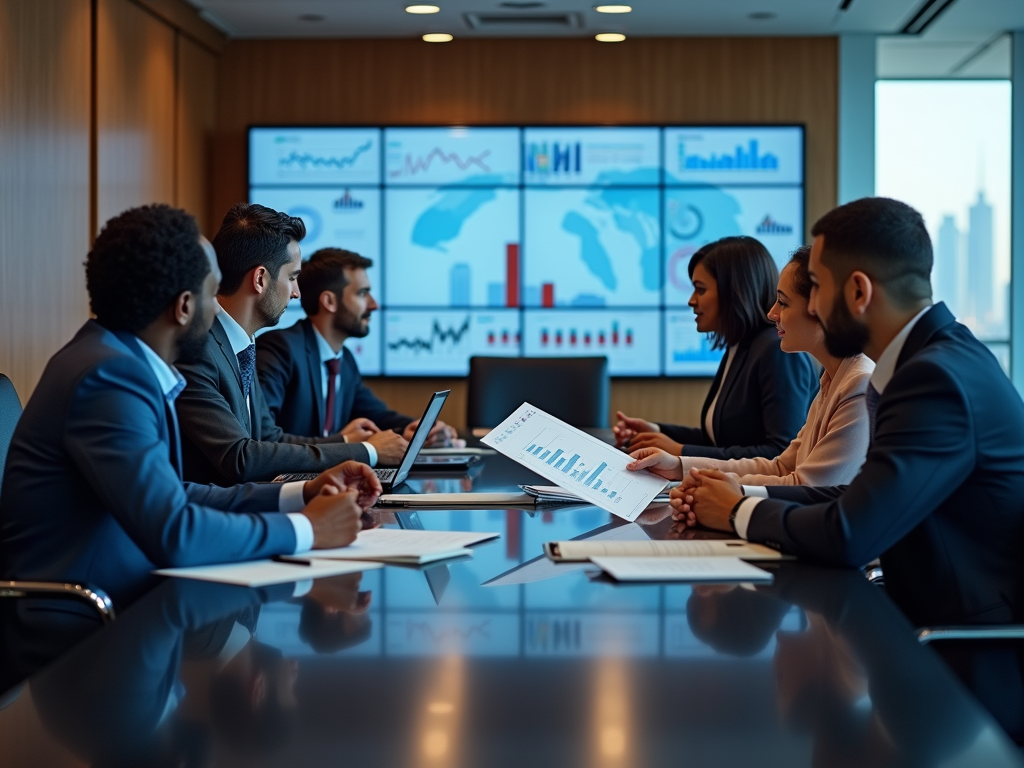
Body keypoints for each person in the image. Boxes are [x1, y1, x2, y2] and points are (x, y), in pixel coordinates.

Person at [666, 197, 1024, 627]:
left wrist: (733, 510)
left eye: (814, 286)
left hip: (959, 653)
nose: (809, 306)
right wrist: (736, 495)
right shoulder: (932, 358)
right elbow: (856, 497)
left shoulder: (933, 380)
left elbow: (850, 534)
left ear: (857, 292)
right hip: (925, 622)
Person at [0, 205, 381, 606]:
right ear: (183, 306)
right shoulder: (107, 378)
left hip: (128, 597)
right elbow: (176, 532)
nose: (218, 307)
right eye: (210, 292)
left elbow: (174, 496)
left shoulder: (114, 361)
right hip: (85, 628)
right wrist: (306, 530)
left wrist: (300, 494)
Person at [175, 204, 408, 486]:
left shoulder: (242, 346)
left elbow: (269, 439)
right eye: (292, 277)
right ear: (261, 279)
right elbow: (241, 458)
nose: (297, 293)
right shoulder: (197, 350)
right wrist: (367, 451)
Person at [629, 246, 874, 487]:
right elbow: (781, 466)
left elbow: (806, 487)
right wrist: (680, 467)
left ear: (821, 309)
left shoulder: (858, 384)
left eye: (783, 303)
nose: (772, 313)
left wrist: (714, 486)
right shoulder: (830, 381)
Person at [614, 236, 818, 460]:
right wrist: (657, 432)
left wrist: (680, 452)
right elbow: (723, 440)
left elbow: (780, 453)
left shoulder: (776, 351)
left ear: (734, 291)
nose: (691, 301)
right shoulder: (741, 347)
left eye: (700, 290)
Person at [256, 247, 456, 445]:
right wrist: (343, 442)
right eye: (362, 293)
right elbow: (264, 440)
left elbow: (377, 415)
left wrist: (422, 429)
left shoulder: (344, 361)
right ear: (329, 301)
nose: (373, 305)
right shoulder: (280, 350)